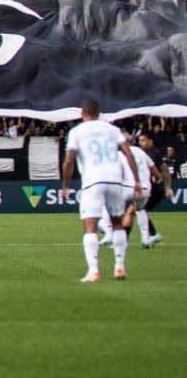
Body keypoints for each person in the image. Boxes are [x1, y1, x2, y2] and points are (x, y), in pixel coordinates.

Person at [60, 100, 143, 281]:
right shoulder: (112, 129)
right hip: (115, 180)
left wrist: (65, 186)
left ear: (82, 114)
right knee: (117, 223)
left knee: (90, 227)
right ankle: (119, 267)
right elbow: (128, 153)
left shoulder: (77, 132)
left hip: (93, 181)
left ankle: (94, 271)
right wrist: (136, 180)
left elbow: (69, 160)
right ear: (99, 113)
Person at [133, 131, 168, 248]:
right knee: (140, 211)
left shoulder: (152, 153)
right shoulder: (148, 153)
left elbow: (163, 170)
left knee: (137, 210)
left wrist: (166, 186)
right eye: (139, 140)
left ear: (150, 141)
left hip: (154, 189)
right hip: (151, 188)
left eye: (143, 140)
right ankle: (152, 235)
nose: (141, 143)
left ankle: (152, 235)